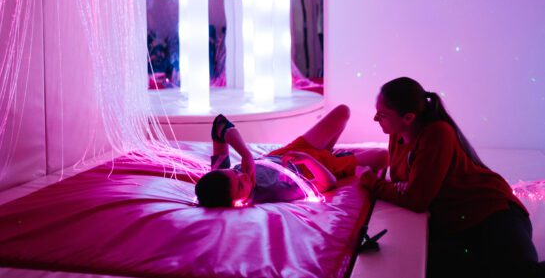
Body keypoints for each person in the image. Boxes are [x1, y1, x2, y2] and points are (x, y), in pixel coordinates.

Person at [359, 77, 545, 278]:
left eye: (382, 114)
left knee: (524, 275)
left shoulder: (437, 133)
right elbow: (406, 187)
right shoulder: (397, 135)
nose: (375, 119)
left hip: (493, 212)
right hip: (457, 222)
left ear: (408, 118)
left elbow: (415, 199)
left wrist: (371, 182)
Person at [195, 104, 388, 207]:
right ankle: (331, 155)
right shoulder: (271, 192)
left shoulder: (221, 177)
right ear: (238, 202)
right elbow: (328, 183)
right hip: (313, 165)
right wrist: (309, 160)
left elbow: (219, 124)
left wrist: (245, 154)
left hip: (288, 151)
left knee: (343, 112)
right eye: (240, 184)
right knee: (383, 157)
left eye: (235, 172)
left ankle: (328, 150)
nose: (242, 175)